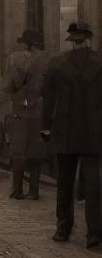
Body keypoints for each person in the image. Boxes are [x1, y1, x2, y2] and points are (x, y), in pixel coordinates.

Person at [41, 22, 102, 246]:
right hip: (92, 133)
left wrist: (46, 126)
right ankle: (94, 233)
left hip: (64, 133)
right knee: (94, 184)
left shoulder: (57, 64)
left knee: (64, 183)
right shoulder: (99, 63)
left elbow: (47, 99)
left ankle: (63, 228)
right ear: (89, 39)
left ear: (71, 40)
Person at [3, 29, 49, 200]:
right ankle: (34, 191)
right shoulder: (48, 60)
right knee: (35, 151)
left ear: (27, 44)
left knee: (18, 152)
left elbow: (9, 85)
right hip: (38, 110)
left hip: (21, 111)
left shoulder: (15, 59)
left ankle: (17, 190)